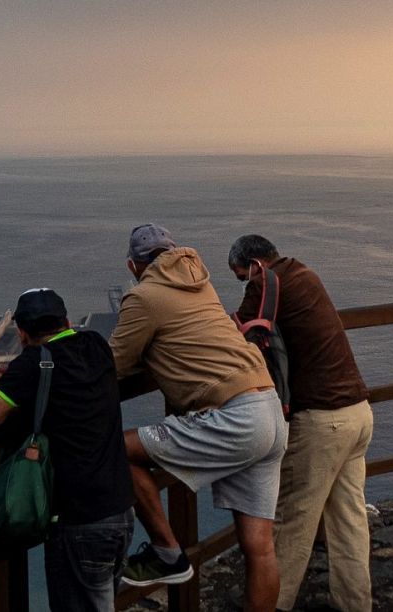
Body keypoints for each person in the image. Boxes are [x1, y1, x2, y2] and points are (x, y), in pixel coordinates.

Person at [110, 223, 288, 612]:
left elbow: (113, 365)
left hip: (235, 418)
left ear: (132, 265)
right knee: (260, 548)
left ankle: (167, 552)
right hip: (270, 410)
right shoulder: (201, 284)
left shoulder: (143, 297)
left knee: (115, 450)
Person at [229, 234, 373, 612]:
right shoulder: (305, 273)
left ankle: (275, 604)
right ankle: (355, 604)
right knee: (349, 520)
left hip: (323, 421)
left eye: (241, 277)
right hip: (358, 411)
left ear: (255, 265)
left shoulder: (265, 281)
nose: (245, 285)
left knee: (291, 520)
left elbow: (233, 336)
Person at [0, 288, 134, 612]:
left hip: (79, 521)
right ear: (67, 320)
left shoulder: (32, 364)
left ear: (22, 334)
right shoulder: (97, 346)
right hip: (121, 508)